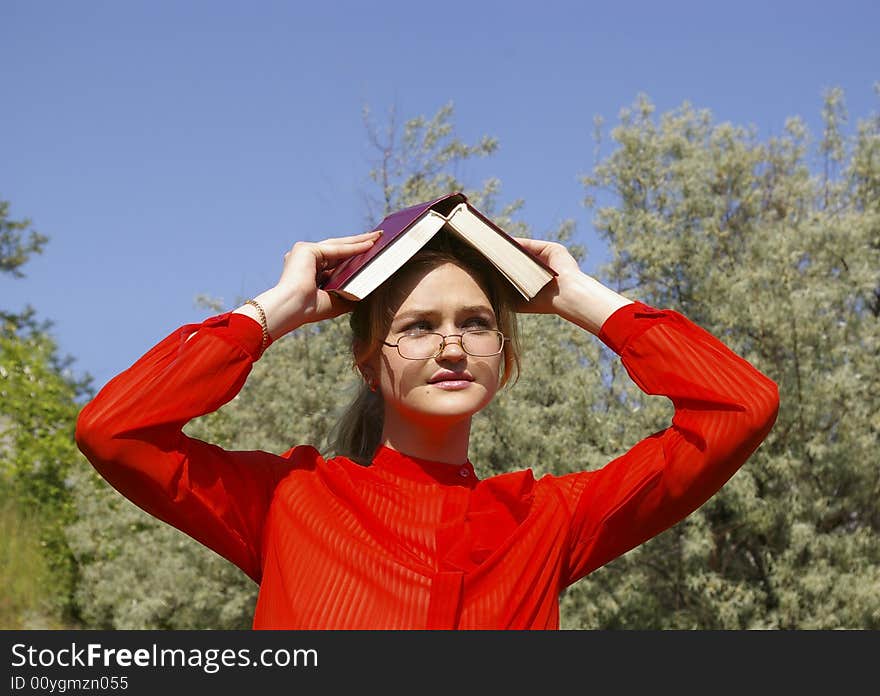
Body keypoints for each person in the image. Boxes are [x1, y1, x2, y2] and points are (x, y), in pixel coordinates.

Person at [75, 221, 779, 630]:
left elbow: (739, 407)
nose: (450, 346)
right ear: (365, 360)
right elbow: (116, 431)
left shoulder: (550, 522)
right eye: (417, 327)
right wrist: (277, 309)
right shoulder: (289, 503)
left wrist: (583, 298)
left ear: (506, 356)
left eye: (476, 324)